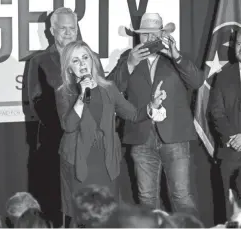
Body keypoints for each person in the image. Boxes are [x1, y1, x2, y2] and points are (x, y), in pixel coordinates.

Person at [55, 40, 166, 223]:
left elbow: (133, 114)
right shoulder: (64, 92)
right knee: (81, 217)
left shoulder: (109, 88)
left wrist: (153, 105)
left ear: (93, 61)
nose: (82, 64)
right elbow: (69, 126)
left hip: (106, 161)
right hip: (77, 162)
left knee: (108, 216)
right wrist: (82, 97)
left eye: (85, 58)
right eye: (75, 61)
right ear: (68, 68)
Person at [107, 13, 204, 217]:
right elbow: (110, 90)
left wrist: (176, 55)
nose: (150, 39)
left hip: (175, 137)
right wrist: (130, 65)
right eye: (145, 34)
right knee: (147, 199)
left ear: (162, 35)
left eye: (154, 34)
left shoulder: (175, 58)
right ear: (138, 37)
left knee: (181, 196)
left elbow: (196, 82)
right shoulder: (128, 58)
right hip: (141, 138)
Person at [27, 7, 79, 225]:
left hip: (87, 143)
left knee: (84, 202)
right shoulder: (39, 61)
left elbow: (101, 94)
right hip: (54, 144)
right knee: (57, 203)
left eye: (72, 28)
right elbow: (36, 103)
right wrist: (67, 128)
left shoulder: (89, 57)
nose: (68, 33)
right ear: (52, 30)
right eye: (63, 28)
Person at [210, 28, 241, 221]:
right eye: (239, 43)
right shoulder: (222, 76)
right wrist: (234, 138)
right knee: (229, 216)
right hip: (230, 151)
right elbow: (216, 112)